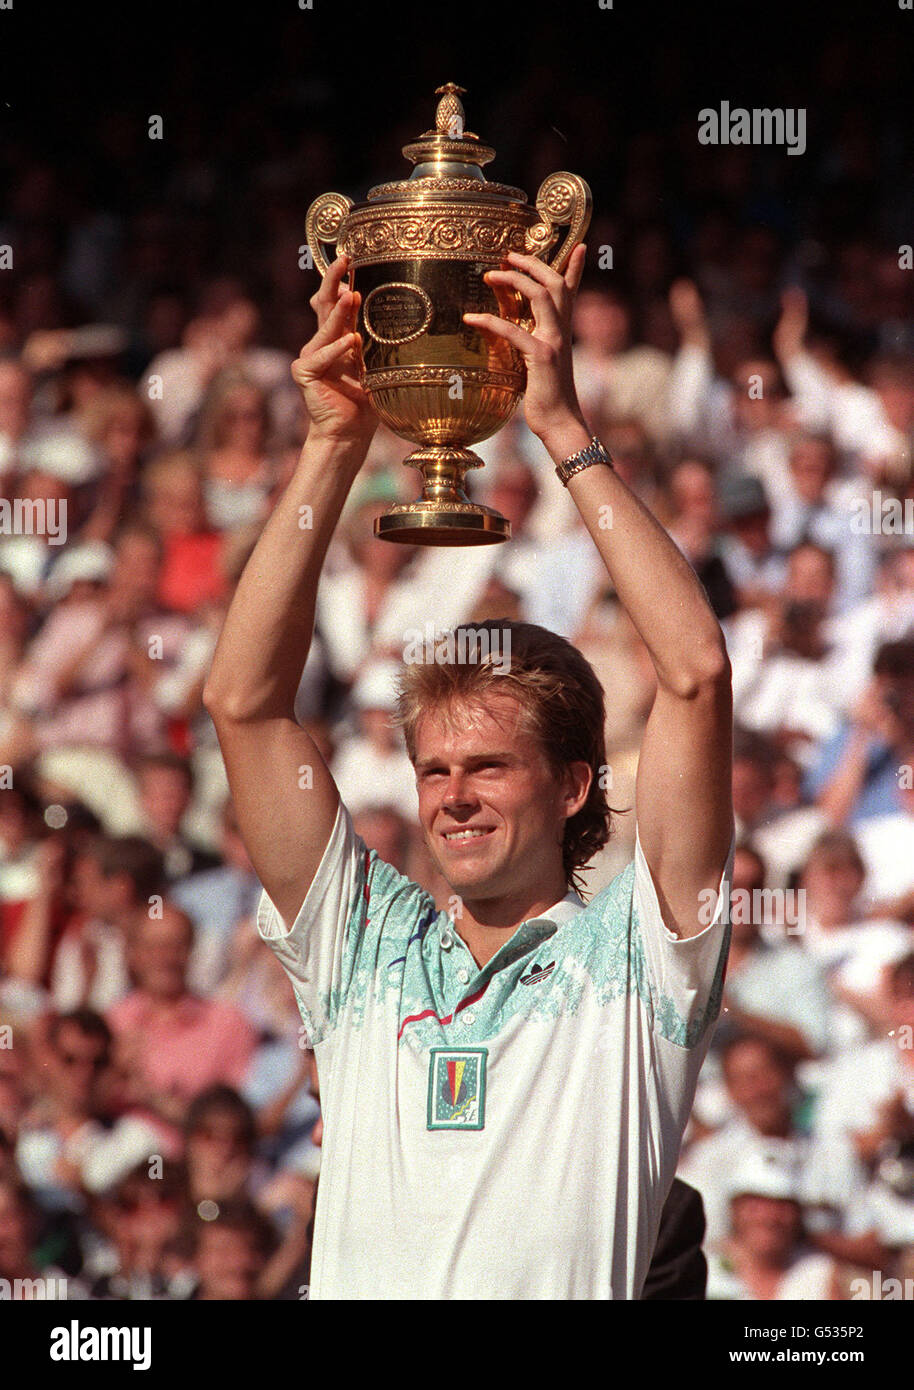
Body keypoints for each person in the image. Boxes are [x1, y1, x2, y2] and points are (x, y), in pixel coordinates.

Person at [204, 244, 734, 1300]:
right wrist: (330, 444)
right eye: (435, 766)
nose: (450, 794)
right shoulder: (361, 944)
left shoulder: (641, 956)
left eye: (489, 766)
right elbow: (245, 703)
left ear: (576, 785)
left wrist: (565, 437)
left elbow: (694, 672)